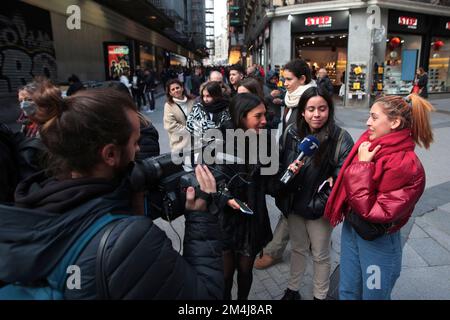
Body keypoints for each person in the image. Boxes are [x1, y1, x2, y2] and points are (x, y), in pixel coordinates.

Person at [0, 88, 223, 300]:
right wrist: (201, 217)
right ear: (110, 154)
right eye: (135, 142)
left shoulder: (32, 201)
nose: (138, 150)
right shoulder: (128, 240)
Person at [324, 94, 434, 300]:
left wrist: (362, 167)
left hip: (377, 240)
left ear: (394, 122)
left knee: (373, 296)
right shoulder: (369, 145)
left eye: (374, 117)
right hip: (352, 228)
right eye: (369, 116)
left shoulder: (406, 165)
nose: (367, 122)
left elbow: (376, 211)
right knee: (347, 291)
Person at [274, 87, 353, 300]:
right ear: (302, 111)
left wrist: (321, 202)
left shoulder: (340, 138)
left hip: (319, 208)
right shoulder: (290, 132)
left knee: (320, 254)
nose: (316, 114)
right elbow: (278, 164)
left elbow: (344, 175)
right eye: (310, 109)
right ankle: (292, 289)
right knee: (298, 249)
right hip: (293, 203)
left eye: (322, 109)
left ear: (329, 110)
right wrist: (287, 174)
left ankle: (320, 295)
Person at [254, 58, 317, 270]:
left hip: (303, 164)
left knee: (291, 208)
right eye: (283, 79)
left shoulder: (312, 102)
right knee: (293, 205)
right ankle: (310, 239)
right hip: (288, 160)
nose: (284, 83)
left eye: (289, 79)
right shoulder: (291, 99)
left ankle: (274, 251)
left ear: (303, 78)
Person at [219, 93, 273, 300]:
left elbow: (271, 184)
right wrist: (225, 197)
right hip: (226, 220)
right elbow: (211, 178)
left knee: (245, 272)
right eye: (258, 116)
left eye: (265, 115)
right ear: (242, 116)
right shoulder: (219, 139)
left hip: (251, 219)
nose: (264, 121)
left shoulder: (265, 142)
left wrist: (290, 174)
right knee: (224, 276)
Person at [163, 79, 195, 152]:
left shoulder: (192, 101)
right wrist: (189, 130)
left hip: (195, 143)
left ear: (182, 88)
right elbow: (170, 125)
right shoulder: (168, 105)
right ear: (170, 93)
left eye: (177, 88)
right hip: (180, 144)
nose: (176, 90)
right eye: (173, 89)